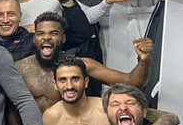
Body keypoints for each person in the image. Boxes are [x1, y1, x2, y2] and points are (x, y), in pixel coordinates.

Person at [17, 11, 152, 113]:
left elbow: (132, 82)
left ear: (63, 38)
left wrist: (144, 60)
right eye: (40, 33)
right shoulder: (20, 68)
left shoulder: (82, 65)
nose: (46, 37)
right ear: (34, 38)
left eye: (53, 33)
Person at [43, 58, 178, 125]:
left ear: (86, 82)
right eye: (63, 80)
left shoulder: (106, 107)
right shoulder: (51, 116)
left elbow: (171, 117)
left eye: (75, 79)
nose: (69, 86)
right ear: (55, 84)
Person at [0, 0, 93, 63]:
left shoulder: (33, 40)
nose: (5, 20)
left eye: (11, 14)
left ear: (20, 16)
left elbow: (81, 35)